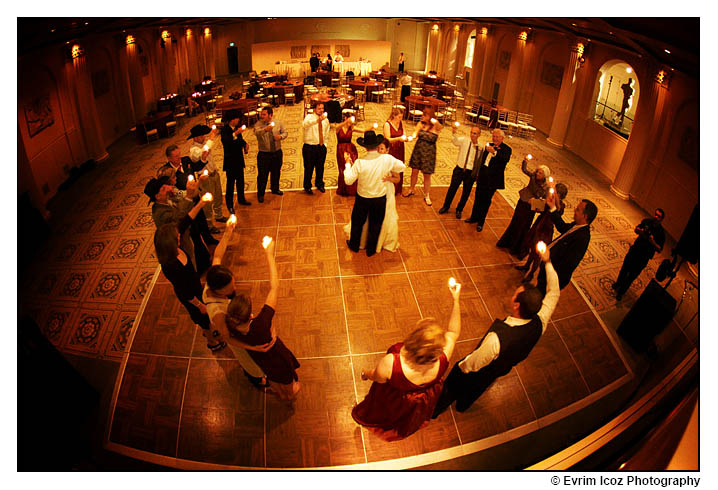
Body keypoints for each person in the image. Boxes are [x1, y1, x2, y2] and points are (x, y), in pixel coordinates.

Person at [432, 244, 559, 417]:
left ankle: (436, 409)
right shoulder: (541, 321)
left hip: (477, 371)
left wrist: (461, 366)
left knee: (455, 386)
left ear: (516, 305)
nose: (513, 294)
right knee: (478, 389)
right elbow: (554, 293)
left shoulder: (497, 339)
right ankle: (463, 406)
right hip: (499, 370)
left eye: (515, 294)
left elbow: (473, 364)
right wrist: (547, 261)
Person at [352, 279, 462, 441]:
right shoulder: (444, 356)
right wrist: (456, 299)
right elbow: (453, 332)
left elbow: (377, 376)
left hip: (394, 398)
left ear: (412, 341)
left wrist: (364, 373)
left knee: (383, 411)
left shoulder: (392, 363)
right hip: (417, 401)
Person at [225, 238, 301, 402]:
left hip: (261, 361)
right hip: (277, 358)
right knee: (287, 382)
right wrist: (269, 254)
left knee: (272, 378)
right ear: (249, 315)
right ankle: (288, 394)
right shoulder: (261, 324)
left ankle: (279, 393)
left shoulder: (230, 326)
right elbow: (274, 287)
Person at [152, 185, 227, 353]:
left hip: (195, 287)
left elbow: (186, 220)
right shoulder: (170, 265)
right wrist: (199, 304)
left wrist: (201, 202)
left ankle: (210, 331)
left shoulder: (175, 248)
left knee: (207, 318)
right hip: (191, 297)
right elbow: (182, 290)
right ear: (171, 242)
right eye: (177, 236)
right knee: (203, 320)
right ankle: (211, 341)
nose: (179, 235)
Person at [203, 226, 271, 389]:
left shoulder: (213, 277)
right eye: (230, 288)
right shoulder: (218, 312)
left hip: (238, 323)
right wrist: (253, 348)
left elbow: (218, 255)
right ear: (219, 290)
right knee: (249, 362)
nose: (234, 288)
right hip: (238, 340)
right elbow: (227, 337)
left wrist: (228, 231)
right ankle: (255, 379)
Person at [343, 131, 405, 256]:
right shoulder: (387, 159)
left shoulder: (360, 162)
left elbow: (348, 180)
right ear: (377, 146)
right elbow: (402, 167)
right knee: (375, 224)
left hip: (363, 198)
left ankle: (354, 245)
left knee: (357, 222)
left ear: (365, 147)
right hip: (379, 199)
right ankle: (371, 250)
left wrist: (348, 165)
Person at [536, 192, 598, 294]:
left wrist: (547, 264)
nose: (574, 210)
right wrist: (552, 208)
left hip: (552, 277)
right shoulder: (576, 225)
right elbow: (562, 227)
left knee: (539, 297)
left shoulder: (582, 239)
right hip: (547, 269)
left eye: (578, 210)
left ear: (585, 216)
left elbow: (567, 265)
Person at [496, 158, 550, 256]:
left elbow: (544, 201)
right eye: (538, 172)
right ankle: (508, 242)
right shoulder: (533, 176)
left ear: (544, 176)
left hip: (531, 208)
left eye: (541, 173)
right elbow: (525, 170)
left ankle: (517, 247)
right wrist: (525, 161)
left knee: (524, 226)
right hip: (523, 201)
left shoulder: (546, 187)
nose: (538, 174)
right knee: (516, 221)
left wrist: (535, 201)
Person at [517, 183, 568, 283]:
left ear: (560, 196)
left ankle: (531, 274)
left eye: (556, 192)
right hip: (538, 226)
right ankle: (526, 266)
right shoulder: (550, 201)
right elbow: (541, 209)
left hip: (546, 231)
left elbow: (556, 209)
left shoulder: (561, 206)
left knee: (537, 255)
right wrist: (537, 203)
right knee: (532, 248)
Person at [612, 208, 666, 301]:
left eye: (659, 216)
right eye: (655, 214)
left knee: (632, 275)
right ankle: (618, 283)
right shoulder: (647, 222)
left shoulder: (661, 233)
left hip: (644, 257)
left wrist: (652, 241)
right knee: (625, 268)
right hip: (635, 250)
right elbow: (636, 229)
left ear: (661, 219)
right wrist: (640, 231)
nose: (656, 217)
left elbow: (659, 249)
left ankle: (621, 292)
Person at [465, 128, 512, 232]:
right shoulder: (488, 145)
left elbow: (505, 159)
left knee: (485, 201)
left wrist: (494, 152)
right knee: (477, 198)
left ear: (502, 138)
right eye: (493, 136)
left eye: (497, 137)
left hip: (492, 181)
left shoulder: (507, 149)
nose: (494, 138)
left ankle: (480, 222)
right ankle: (474, 217)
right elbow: (482, 161)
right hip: (482, 177)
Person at [438, 125, 482, 219]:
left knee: (466, 192)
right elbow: (455, 141)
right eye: (471, 132)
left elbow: (479, 161)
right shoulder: (465, 140)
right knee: (452, 189)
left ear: (479, 135)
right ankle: (446, 206)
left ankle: (459, 209)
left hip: (470, 173)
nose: (472, 135)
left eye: (474, 133)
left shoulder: (480, 147)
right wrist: (454, 132)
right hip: (459, 169)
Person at [188, 124, 228, 224]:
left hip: (214, 174)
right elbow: (203, 152)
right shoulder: (193, 150)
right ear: (196, 138)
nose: (204, 137)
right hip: (206, 179)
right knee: (207, 201)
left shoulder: (204, 144)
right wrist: (212, 136)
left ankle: (219, 216)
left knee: (218, 196)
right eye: (202, 136)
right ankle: (209, 224)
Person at [403, 109, 442, 206]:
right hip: (419, 150)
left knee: (427, 175)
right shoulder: (421, 124)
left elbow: (440, 127)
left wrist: (434, 121)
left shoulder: (436, 126)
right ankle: (411, 189)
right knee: (414, 172)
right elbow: (415, 134)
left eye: (425, 115)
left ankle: (427, 195)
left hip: (429, 153)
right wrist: (411, 138)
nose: (423, 117)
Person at [253, 106, 288, 203]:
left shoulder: (278, 123)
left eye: (264, 114)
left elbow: (285, 132)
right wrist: (265, 129)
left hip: (277, 152)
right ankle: (260, 194)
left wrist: (280, 137)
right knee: (262, 175)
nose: (262, 116)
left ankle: (275, 188)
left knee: (276, 172)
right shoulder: (258, 124)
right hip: (264, 154)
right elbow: (257, 133)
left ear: (270, 115)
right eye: (261, 114)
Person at [220, 110, 251, 213]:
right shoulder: (225, 130)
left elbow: (240, 140)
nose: (238, 120)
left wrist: (245, 145)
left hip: (238, 159)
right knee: (230, 184)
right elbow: (226, 141)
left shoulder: (237, 129)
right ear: (232, 120)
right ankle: (230, 205)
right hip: (230, 161)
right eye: (237, 118)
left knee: (240, 181)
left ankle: (241, 199)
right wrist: (235, 134)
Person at [301, 102, 330, 194]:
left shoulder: (325, 120)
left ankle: (319, 183)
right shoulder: (309, 117)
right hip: (309, 147)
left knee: (320, 167)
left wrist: (325, 144)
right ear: (314, 109)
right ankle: (307, 186)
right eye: (319, 108)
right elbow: (305, 125)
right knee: (309, 167)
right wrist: (317, 121)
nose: (321, 110)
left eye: (322, 108)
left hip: (321, 146)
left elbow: (326, 133)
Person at [335, 115, 365, 196]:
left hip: (350, 149)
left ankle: (351, 189)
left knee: (352, 167)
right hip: (341, 150)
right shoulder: (339, 127)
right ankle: (343, 189)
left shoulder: (351, 128)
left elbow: (363, 130)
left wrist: (371, 128)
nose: (351, 122)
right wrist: (346, 122)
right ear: (345, 118)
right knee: (342, 169)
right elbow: (336, 127)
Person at [383, 107, 406, 195]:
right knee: (391, 168)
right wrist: (398, 138)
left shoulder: (401, 123)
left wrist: (406, 138)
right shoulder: (387, 124)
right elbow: (387, 139)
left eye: (401, 117)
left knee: (399, 167)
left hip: (400, 148)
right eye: (399, 117)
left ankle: (398, 189)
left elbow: (404, 134)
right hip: (391, 149)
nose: (400, 119)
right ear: (394, 116)